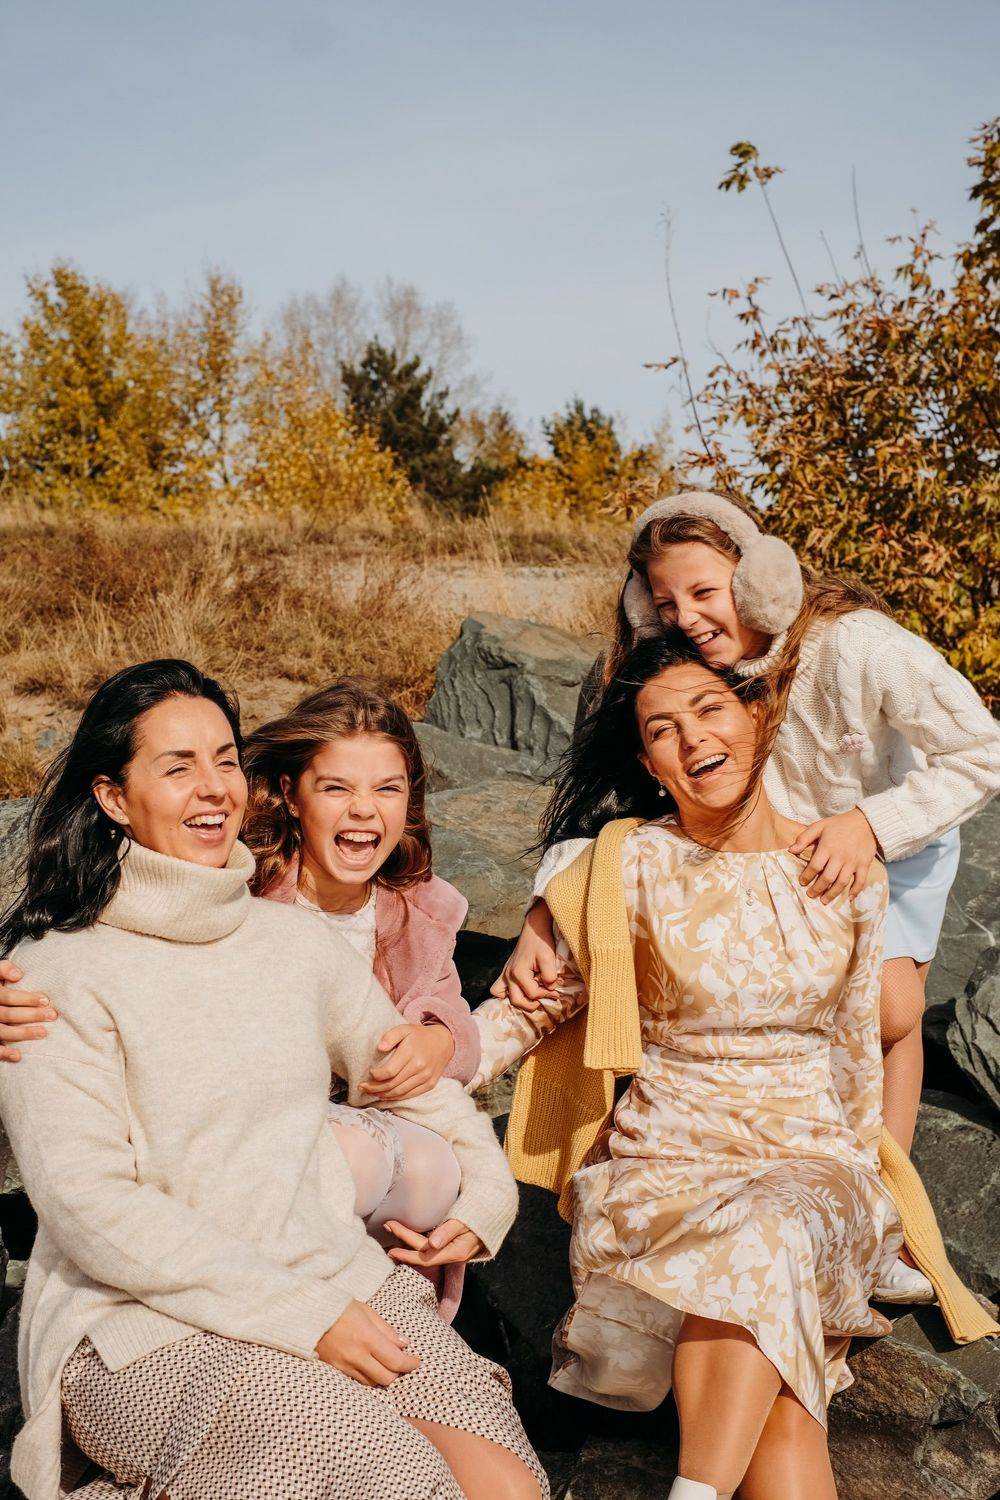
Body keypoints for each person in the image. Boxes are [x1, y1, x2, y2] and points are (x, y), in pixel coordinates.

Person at [0, 660, 545, 1500]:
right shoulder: (55, 973)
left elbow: (413, 1080)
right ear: (113, 797)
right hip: (143, 1320)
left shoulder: (294, 945)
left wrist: (488, 1197)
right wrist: (303, 1317)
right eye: (177, 767)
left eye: (224, 759)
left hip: (333, 1275)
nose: (212, 787)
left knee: (509, 1486)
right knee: (397, 1479)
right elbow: (89, 1205)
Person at [494, 487, 1000, 1302]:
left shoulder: (856, 645)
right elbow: (609, 808)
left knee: (890, 1011)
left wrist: (870, 826)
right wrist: (547, 908)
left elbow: (982, 750)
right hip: (776, 845)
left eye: (706, 591)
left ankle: (884, 1213)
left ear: (761, 576)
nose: (688, 618)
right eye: (666, 603)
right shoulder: (686, 674)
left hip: (892, 829)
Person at [469, 632, 903, 1498]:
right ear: (649, 763)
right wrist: (423, 1068)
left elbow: (857, 1050)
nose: (693, 736)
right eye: (662, 729)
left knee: (775, 1228)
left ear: (759, 716)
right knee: (787, 1404)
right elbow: (533, 1004)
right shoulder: (627, 864)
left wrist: (871, 1192)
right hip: (667, 1167)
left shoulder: (846, 869)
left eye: (710, 708)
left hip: (811, 1166)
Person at [1, 679, 480, 1318]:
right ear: (290, 794)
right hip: (234, 1171)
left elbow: (452, 1019)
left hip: (355, 1181)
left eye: (387, 789)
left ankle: (382, 1308)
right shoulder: (232, 881)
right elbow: (121, 954)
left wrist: (443, 1035)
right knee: (345, 1158)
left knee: (426, 1166)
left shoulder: (420, 910)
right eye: (336, 788)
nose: (364, 810)